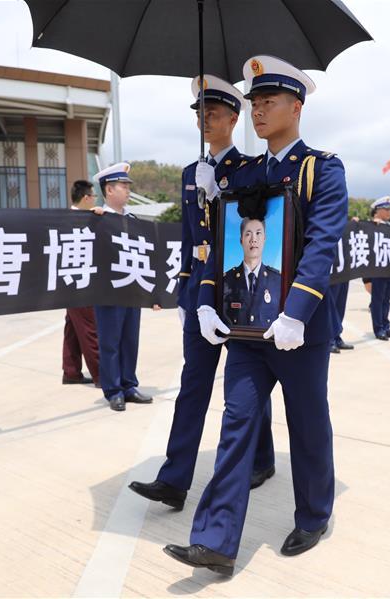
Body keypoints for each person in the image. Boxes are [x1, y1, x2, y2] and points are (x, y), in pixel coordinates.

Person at [165, 55, 347, 575]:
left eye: (269, 101)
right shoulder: (242, 174)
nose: (259, 111)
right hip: (246, 328)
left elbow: (320, 243)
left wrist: (296, 313)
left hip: (297, 330)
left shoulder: (321, 168)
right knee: (238, 421)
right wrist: (204, 301)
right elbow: (220, 245)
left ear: (297, 105)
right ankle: (216, 541)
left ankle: (313, 515)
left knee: (308, 423)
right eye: (255, 102)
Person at [130, 75, 275, 511]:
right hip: (199, 289)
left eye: (213, 113)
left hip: (237, 288)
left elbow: (254, 226)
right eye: (200, 113)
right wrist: (183, 285)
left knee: (245, 381)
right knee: (193, 382)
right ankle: (174, 479)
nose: (205, 120)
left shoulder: (253, 169)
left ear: (234, 117)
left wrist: (223, 194)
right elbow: (191, 236)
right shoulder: (192, 172)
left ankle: (261, 459)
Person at [91, 162, 156, 411]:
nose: (128, 190)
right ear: (109, 190)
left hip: (132, 289)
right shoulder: (97, 219)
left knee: (130, 340)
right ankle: (114, 390)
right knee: (110, 341)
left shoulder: (133, 220)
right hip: (108, 291)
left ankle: (129, 385)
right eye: (123, 186)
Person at [61, 179, 100, 387]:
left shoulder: (74, 217)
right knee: (90, 328)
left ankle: (71, 371)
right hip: (79, 283)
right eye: (93, 196)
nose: (95, 200)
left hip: (69, 282)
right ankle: (102, 375)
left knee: (73, 329)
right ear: (86, 198)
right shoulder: (76, 220)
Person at [222, 217, 282, 327]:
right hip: (237, 343)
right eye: (248, 234)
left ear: (264, 238)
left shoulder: (278, 280)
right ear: (241, 240)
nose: (253, 239)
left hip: (268, 344)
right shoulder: (226, 280)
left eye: (258, 233)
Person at [368, 196, 390, 340]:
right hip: (376, 270)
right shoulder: (371, 226)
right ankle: (378, 328)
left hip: (389, 269)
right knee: (377, 300)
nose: (389, 212)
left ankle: (386, 326)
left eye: (389, 209)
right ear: (377, 210)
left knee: (386, 299)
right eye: (386, 209)